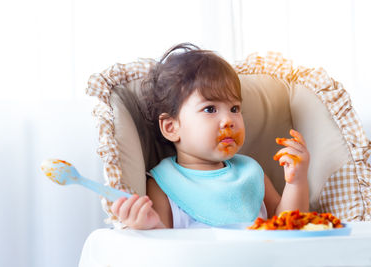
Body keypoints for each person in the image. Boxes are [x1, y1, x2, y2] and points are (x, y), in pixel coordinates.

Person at [111, 43, 310, 229]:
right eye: (210, 109)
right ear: (172, 127)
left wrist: (296, 182)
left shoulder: (251, 173)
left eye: (234, 108)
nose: (228, 120)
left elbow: (287, 227)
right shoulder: (162, 185)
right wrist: (151, 227)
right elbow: (166, 250)